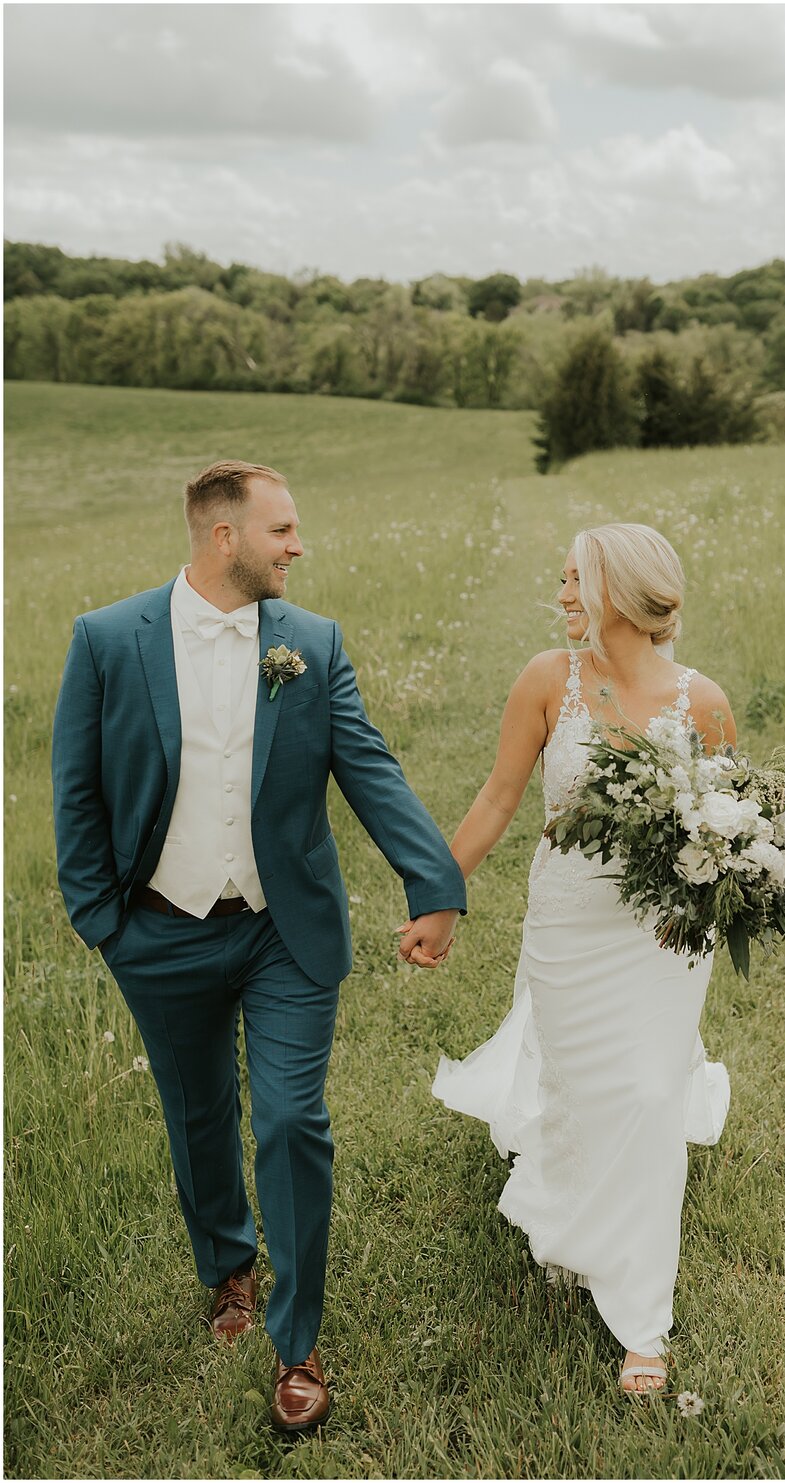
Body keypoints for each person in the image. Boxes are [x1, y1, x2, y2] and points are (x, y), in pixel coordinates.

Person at [51, 460, 464, 1432]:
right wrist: (102, 921)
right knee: (198, 1113)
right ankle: (227, 1268)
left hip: (285, 928)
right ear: (221, 536)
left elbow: (366, 764)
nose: (298, 545)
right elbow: (76, 790)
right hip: (157, 930)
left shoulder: (310, 643)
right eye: (281, 529)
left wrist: (434, 883)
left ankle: (298, 1339)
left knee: (290, 1121)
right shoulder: (109, 640)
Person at [432, 522, 733, 1396]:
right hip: (566, 920)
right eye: (560, 578)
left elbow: (725, 830)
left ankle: (643, 1325)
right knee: (576, 1084)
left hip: (663, 932)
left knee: (646, 1091)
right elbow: (497, 797)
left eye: (576, 579)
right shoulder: (545, 681)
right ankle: (577, 1209)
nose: (562, 594)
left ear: (627, 592)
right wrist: (439, 895)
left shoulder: (702, 702)